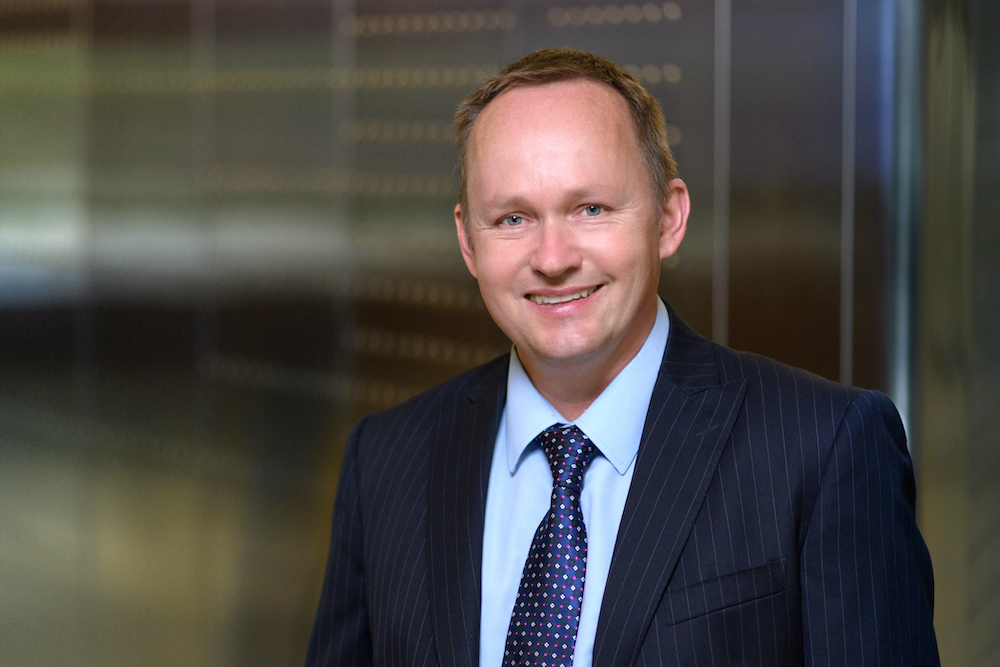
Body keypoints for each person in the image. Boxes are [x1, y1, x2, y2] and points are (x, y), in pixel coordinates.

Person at [306, 48, 938, 667]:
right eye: (512, 218)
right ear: (468, 242)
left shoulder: (823, 448)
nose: (553, 258)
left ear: (668, 218)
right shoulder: (385, 461)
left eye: (591, 209)